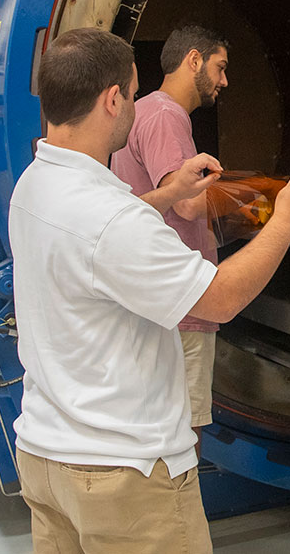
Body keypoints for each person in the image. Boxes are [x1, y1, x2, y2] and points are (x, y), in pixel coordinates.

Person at [10, 27, 290, 554]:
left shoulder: (34, 186)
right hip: (123, 477)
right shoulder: (108, 218)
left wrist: (170, 192)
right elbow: (220, 296)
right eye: (132, 94)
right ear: (112, 100)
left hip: (46, 458)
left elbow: (102, 244)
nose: (137, 105)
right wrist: (286, 220)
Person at [110, 25, 229, 450]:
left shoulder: (142, 111)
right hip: (181, 302)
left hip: (155, 300)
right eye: (220, 67)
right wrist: (254, 198)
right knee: (185, 433)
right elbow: (188, 204)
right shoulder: (165, 116)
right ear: (193, 60)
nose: (224, 81)